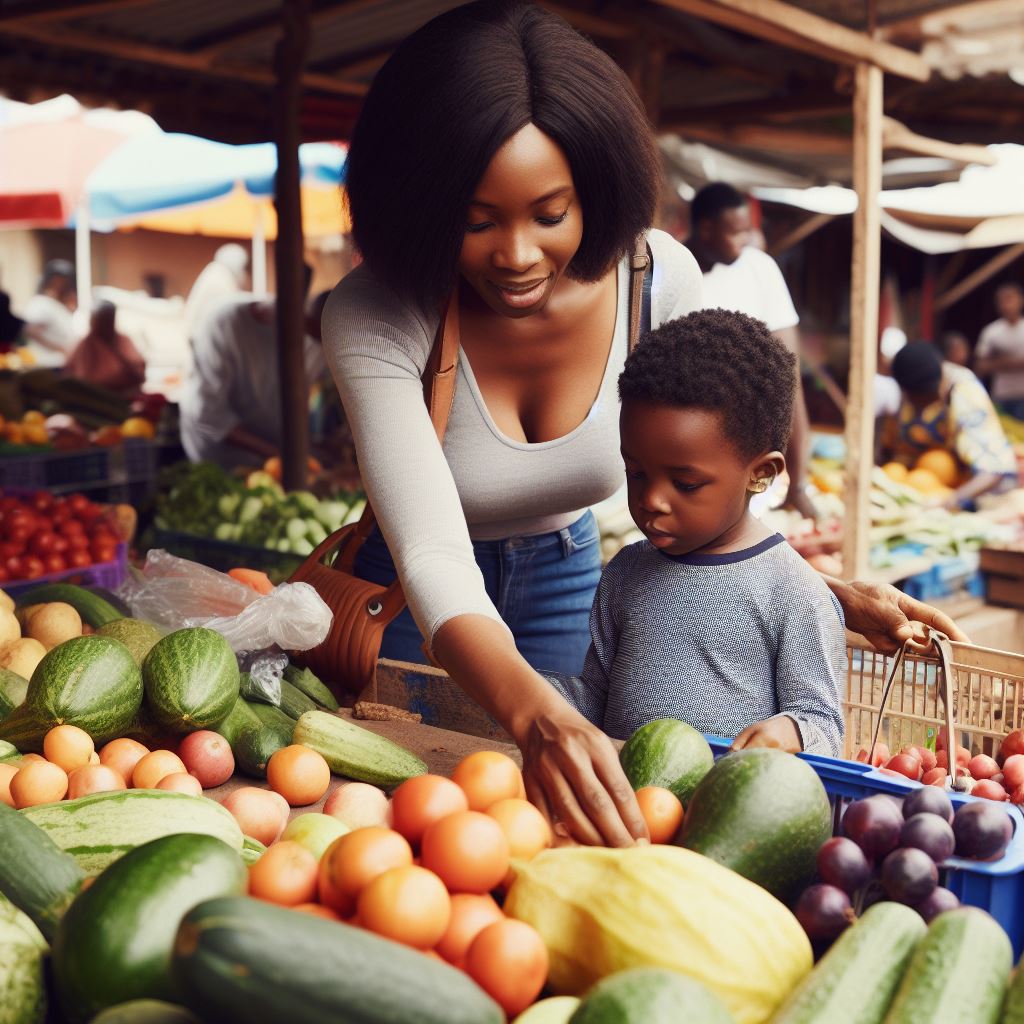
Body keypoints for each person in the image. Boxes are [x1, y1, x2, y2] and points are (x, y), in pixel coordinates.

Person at [323, 0, 965, 847]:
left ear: (598, 189)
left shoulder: (656, 281)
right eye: (476, 221)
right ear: (419, 201)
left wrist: (811, 593)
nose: (517, 255)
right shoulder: (376, 313)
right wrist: (537, 717)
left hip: (573, 587)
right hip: (412, 607)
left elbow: (698, 470)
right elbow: (435, 555)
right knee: (416, 836)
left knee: (556, 839)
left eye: (549, 213)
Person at [550, 309, 845, 754]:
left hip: (727, 811)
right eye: (637, 473)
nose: (653, 500)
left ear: (761, 474)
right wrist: (522, 686)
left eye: (685, 484)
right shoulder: (626, 571)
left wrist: (790, 733)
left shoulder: (793, 591)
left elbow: (823, 722)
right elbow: (595, 698)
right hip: (623, 804)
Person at [688, 183, 816, 519]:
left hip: (750, 444)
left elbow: (788, 372)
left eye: (748, 231)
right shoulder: (676, 273)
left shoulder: (759, 269)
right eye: (737, 232)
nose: (747, 240)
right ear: (706, 229)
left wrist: (798, 481)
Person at [180, 289, 328, 468]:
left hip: (275, 455)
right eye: (317, 331)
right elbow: (210, 414)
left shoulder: (318, 338)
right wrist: (281, 457)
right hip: (221, 455)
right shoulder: (225, 323)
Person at [884, 341, 1017, 509]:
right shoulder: (907, 388)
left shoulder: (964, 391)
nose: (920, 407)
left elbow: (993, 470)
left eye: (925, 400)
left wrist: (949, 501)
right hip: (927, 485)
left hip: (977, 491)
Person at [63, 300, 146, 396]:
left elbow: (137, 368)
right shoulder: (86, 344)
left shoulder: (122, 340)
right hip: (92, 397)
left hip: (120, 396)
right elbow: (74, 374)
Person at [975, 281, 1024, 421]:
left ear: (1020, 300)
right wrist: (1013, 362)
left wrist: (999, 362)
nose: (1006, 304)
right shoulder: (991, 332)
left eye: (1010, 298)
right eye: (1001, 300)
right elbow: (980, 366)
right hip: (1002, 396)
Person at [183, 243, 251, 340]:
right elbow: (232, 309)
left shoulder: (216, 272)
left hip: (200, 335)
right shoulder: (220, 277)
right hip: (201, 337)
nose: (243, 271)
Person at [23, 259, 77, 368]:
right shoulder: (41, 303)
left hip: (60, 363)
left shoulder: (58, 304)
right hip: (47, 364)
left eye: (64, 281)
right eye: (57, 279)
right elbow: (31, 331)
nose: (60, 284)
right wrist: (60, 348)